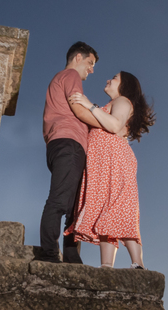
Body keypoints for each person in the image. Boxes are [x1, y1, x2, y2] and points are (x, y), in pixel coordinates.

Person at [65, 71, 155, 269]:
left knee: (119, 207)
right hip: (103, 163)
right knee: (106, 210)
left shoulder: (123, 100)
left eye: (114, 78)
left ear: (124, 85)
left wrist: (90, 105)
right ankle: (106, 266)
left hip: (114, 160)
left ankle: (137, 263)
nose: (108, 80)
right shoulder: (116, 102)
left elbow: (114, 125)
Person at [37, 41, 101, 263]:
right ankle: (49, 254)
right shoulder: (71, 75)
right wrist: (108, 124)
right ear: (78, 58)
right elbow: (78, 109)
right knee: (60, 201)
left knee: (74, 206)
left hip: (62, 145)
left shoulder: (59, 78)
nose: (91, 70)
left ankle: (72, 257)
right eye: (90, 63)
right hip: (68, 143)